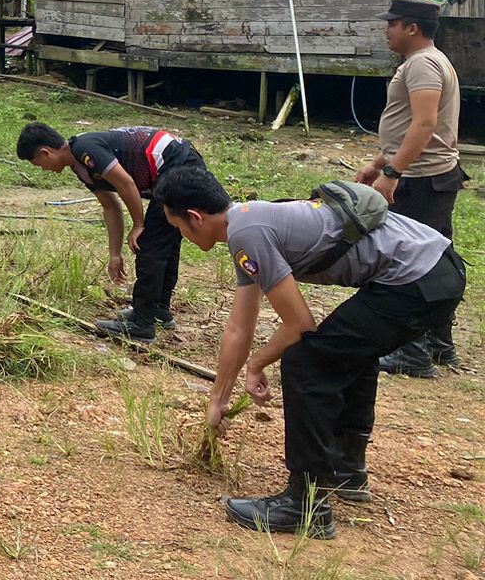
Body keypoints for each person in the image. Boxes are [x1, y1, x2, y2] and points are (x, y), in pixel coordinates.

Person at [155, 163, 466, 538]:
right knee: (346, 351)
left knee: (307, 360)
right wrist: (218, 399)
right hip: (436, 270)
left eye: (177, 228)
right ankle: (344, 470)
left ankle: (305, 505)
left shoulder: (247, 232)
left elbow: (299, 325)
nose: (182, 236)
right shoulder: (249, 223)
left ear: (194, 217)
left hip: (418, 277)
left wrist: (258, 363)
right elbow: (240, 324)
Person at [353, 0, 466, 378]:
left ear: (412, 28)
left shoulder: (423, 65)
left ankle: (413, 352)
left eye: (393, 23)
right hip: (429, 177)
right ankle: (438, 345)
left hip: (420, 181)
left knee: (408, 262)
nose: (387, 29)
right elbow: (407, 127)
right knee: (434, 257)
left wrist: (394, 173)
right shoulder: (426, 62)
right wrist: (377, 164)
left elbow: (423, 125)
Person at [16, 121, 203, 341]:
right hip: (176, 163)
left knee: (150, 244)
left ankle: (142, 323)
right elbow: (110, 206)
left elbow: (126, 184)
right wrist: (115, 254)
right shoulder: (80, 166)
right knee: (164, 240)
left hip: (177, 163)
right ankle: (157, 310)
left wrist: (139, 224)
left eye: (38, 164)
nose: (42, 169)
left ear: (45, 152)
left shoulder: (84, 148)